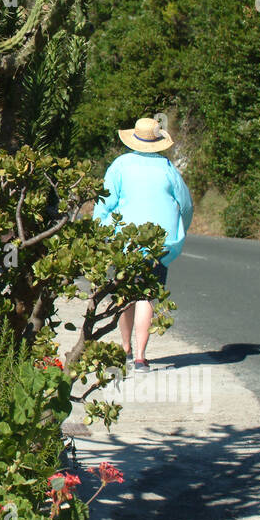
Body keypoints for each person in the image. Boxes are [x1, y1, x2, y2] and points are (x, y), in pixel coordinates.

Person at [93, 117, 193, 370]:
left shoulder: (120, 165)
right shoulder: (168, 167)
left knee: (125, 292)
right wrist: (181, 227)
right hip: (159, 240)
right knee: (146, 295)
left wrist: (98, 230)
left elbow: (105, 202)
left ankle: (125, 348)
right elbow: (186, 205)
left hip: (124, 240)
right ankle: (140, 356)